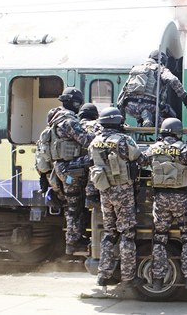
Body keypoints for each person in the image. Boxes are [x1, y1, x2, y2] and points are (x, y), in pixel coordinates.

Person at [138, 118, 187, 291]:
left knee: (160, 239)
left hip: (160, 198)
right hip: (181, 198)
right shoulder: (184, 149)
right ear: (178, 132)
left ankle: (158, 279)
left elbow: (140, 162)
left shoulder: (153, 149)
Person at [88, 107, 144, 288]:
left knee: (110, 233)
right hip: (123, 191)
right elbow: (138, 158)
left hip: (105, 191)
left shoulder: (95, 142)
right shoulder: (123, 140)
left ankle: (103, 274)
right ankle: (129, 277)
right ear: (118, 122)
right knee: (127, 234)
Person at [46, 87, 95, 255]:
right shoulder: (68, 121)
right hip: (71, 168)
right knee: (75, 206)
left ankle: (73, 240)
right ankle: (73, 242)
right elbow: (88, 141)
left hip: (62, 168)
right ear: (75, 103)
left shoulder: (55, 118)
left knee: (73, 205)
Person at [117, 50, 187, 127]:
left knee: (141, 112)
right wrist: (183, 95)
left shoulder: (135, 69)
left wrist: (121, 116)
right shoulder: (160, 69)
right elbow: (173, 80)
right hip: (150, 106)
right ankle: (149, 119)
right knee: (170, 119)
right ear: (161, 61)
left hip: (130, 107)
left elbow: (123, 91)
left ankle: (143, 119)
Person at [78, 103, 102, 209]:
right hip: (92, 159)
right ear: (95, 115)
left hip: (75, 162)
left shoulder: (75, 125)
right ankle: (91, 197)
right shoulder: (97, 125)